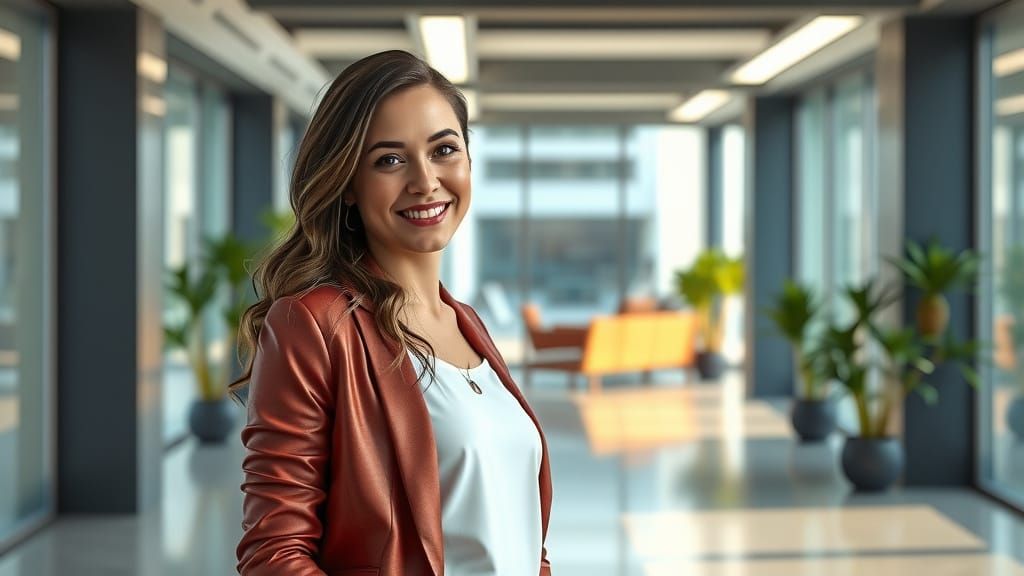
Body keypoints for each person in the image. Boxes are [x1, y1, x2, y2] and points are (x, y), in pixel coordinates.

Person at [232, 50, 553, 576]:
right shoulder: (314, 324)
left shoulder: (467, 323)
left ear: (469, 161)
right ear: (349, 186)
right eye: (390, 160)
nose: (425, 181)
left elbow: (517, 538)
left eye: (444, 150)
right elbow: (274, 555)